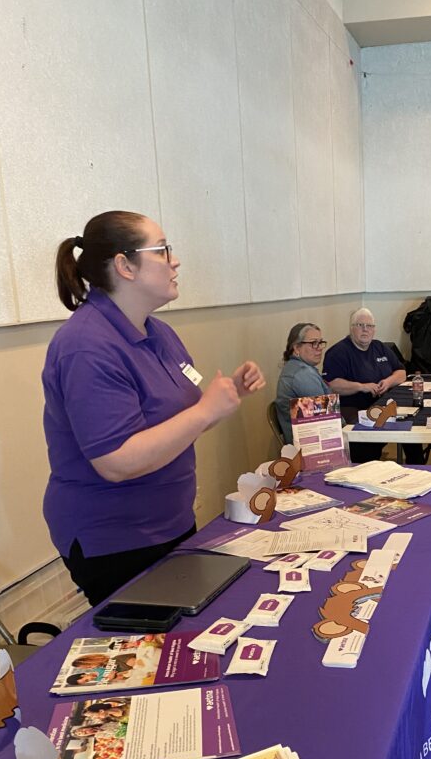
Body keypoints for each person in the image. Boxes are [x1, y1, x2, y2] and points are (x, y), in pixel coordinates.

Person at [42, 211, 265, 606]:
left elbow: (177, 422)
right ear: (125, 266)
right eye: (163, 251)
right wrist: (205, 411)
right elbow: (116, 461)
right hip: (115, 539)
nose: (175, 261)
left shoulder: (157, 331)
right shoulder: (86, 346)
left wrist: (227, 393)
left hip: (170, 521)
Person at [323, 308, 424, 463]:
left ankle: (417, 466)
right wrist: (361, 386)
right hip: (353, 409)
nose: (365, 330)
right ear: (351, 328)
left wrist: (388, 381)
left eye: (369, 326)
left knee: (411, 423)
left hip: (383, 405)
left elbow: (402, 372)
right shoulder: (338, 352)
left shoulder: (379, 347)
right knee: (369, 437)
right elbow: (331, 385)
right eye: (360, 325)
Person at [275, 323, 331, 442]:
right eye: (313, 343)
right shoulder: (302, 374)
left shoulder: (297, 368)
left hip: (313, 439)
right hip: (311, 446)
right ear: (296, 348)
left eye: (320, 342)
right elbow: (326, 417)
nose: (320, 347)